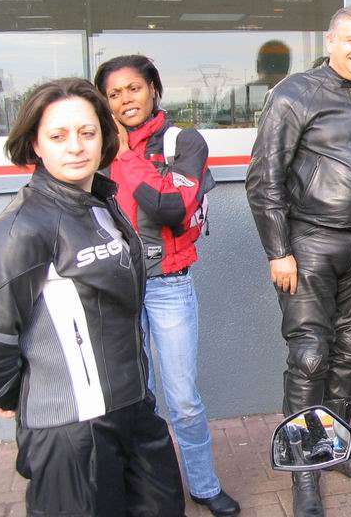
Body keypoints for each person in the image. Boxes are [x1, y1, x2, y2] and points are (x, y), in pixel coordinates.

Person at [0, 78, 185, 516]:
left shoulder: (103, 205)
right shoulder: (19, 230)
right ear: (36, 144)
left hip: (134, 409)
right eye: (58, 136)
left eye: (87, 132)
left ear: (105, 137)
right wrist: (13, 395)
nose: (75, 147)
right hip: (69, 430)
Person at [245, 4, 351, 517]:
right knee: (310, 356)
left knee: (349, 348)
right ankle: (304, 470)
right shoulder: (294, 94)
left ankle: (334, 450)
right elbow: (265, 177)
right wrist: (279, 249)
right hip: (310, 241)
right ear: (331, 41)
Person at [94, 56, 239, 517]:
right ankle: (150, 490)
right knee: (137, 398)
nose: (125, 100)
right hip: (115, 289)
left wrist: (124, 157)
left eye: (133, 88)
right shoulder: (94, 147)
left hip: (167, 285)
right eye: (114, 94)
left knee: (182, 399)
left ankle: (204, 485)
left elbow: (171, 207)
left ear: (154, 89)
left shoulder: (182, 141)